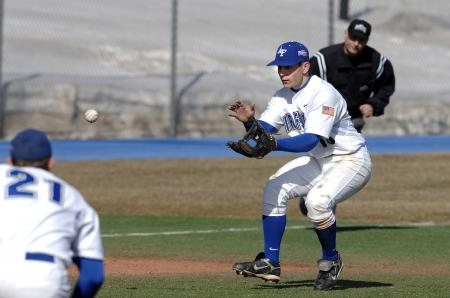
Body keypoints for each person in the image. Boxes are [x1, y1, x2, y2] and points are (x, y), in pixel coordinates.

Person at [228, 41, 372, 291]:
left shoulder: (323, 93)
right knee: (275, 187)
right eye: (279, 67)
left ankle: (330, 261)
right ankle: (270, 262)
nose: (282, 72)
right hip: (320, 160)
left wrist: (274, 145)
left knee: (317, 202)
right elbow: (264, 134)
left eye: (288, 67)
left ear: (305, 66)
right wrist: (250, 123)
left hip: (351, 159)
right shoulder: (282, 96)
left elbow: (309, 140)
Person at [0, 129, 104, 298]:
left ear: (9, 161)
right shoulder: (73, 197)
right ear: (51, 163)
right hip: (46, 281)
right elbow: (93, 275)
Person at [310, 19, 395, 133]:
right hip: (324, 119)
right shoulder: (324, 59)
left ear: (367, 40)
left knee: (352, 150)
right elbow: (305, 84)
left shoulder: (377, 61)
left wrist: (373, 105)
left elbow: (386, 87)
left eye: (361, 40)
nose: (356, 44)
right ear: (345, 34)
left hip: (353, 121)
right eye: (353, 38)